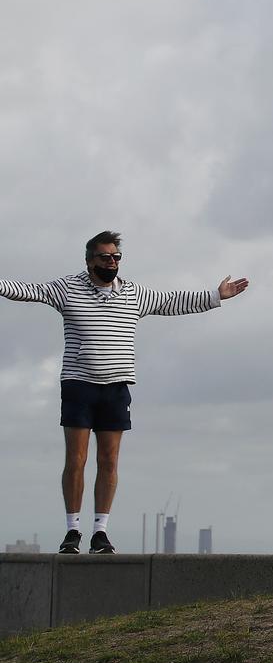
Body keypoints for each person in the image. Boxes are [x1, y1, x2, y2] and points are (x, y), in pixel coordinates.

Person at [0, 231, 249, 554]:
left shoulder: (132, 293)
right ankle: (72, 531)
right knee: (76, 459)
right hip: (79, 384)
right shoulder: (67, 288)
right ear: (90, 260)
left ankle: (100, 531)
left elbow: (170, 302)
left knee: (109, 460)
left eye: (116, 257)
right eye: (105, 257)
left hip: (117, 387)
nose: (112, 262)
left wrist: (215, 296)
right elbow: (28, 291)